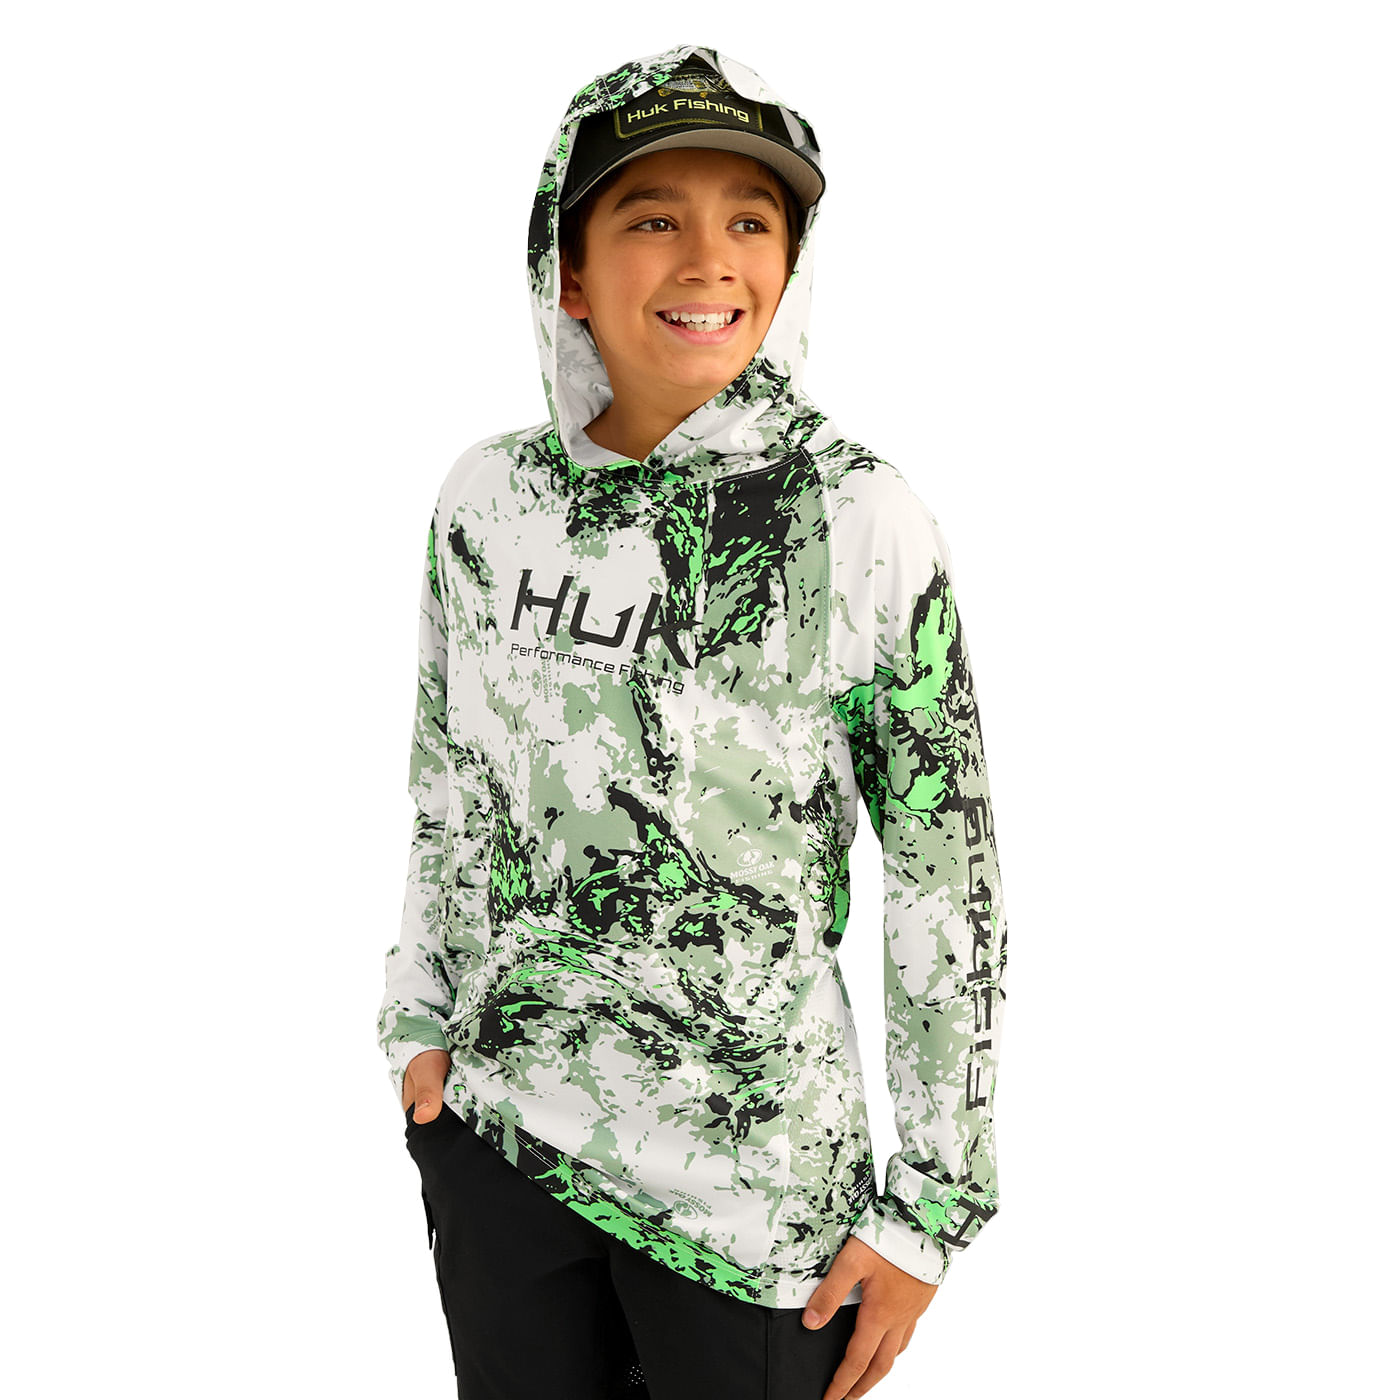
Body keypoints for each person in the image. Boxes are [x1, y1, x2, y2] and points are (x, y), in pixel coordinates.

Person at [377, 42, 1009, 1400]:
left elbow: (944, 872)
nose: (709, 259)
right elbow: (448, 775)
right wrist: (419, 1021)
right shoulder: (488, 499)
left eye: (751, 222)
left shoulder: (853, 516)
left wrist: (931, 1205)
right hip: (502, 1139)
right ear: (568, 268)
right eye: (653, 219)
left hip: (753, 1200)